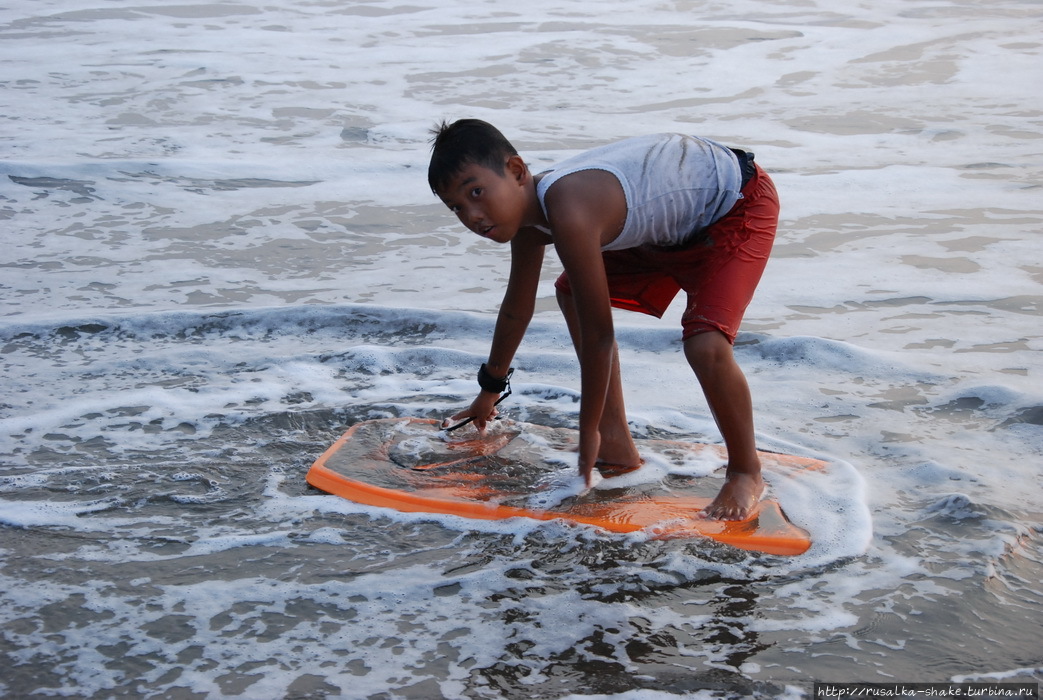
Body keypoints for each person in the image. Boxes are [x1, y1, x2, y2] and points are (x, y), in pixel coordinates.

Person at [427, 119, 779, 521]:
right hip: (672, 224)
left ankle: (746, 472)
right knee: (572, 293)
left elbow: (600, 337)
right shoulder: (529, 221)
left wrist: (586, 426)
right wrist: (488, 393)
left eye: (476, 192)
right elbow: (516, 308)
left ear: (518, 172)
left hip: (736, 206)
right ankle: (615, 440)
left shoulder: (571, 210)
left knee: (706, 344)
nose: (472, 215)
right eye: (457, 206)